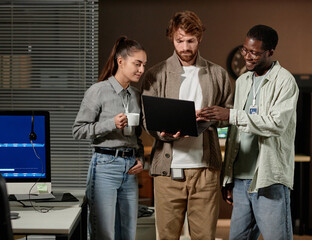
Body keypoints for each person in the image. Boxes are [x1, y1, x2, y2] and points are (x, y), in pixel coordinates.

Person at [199, 25, 299, 239]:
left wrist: (230, 114)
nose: (247, 56)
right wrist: (228, 177)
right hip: (241, 180)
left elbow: (275, 124)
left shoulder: (285, 81)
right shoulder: (243, 80)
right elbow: (236, 134)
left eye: (254, 52)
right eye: (245, 50)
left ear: (270, 52)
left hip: (268, 180)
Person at [140, 10, 233, 240]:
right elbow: (146, 118)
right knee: (166, 236)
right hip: (168, 172)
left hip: (205, 171)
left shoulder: (218, 74)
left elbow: (229, 115)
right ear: (172, 38)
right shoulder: (156, 74)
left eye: (190, 40)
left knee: (204, 236)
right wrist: (160, 132)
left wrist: (211, 117)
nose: (184, 47)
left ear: (199, 38)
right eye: (179, 40)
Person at [72, 36, 146, 240]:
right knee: (103, 234)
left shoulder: (137, 95)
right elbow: (78, 130)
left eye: (143, 65)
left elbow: (136, 137)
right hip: (104, 166)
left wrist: (141, 158)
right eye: (137, 64)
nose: (141, 70)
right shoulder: (98, 91)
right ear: (120, 61)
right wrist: (110, 124)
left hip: (130, 169)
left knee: (128, 234)